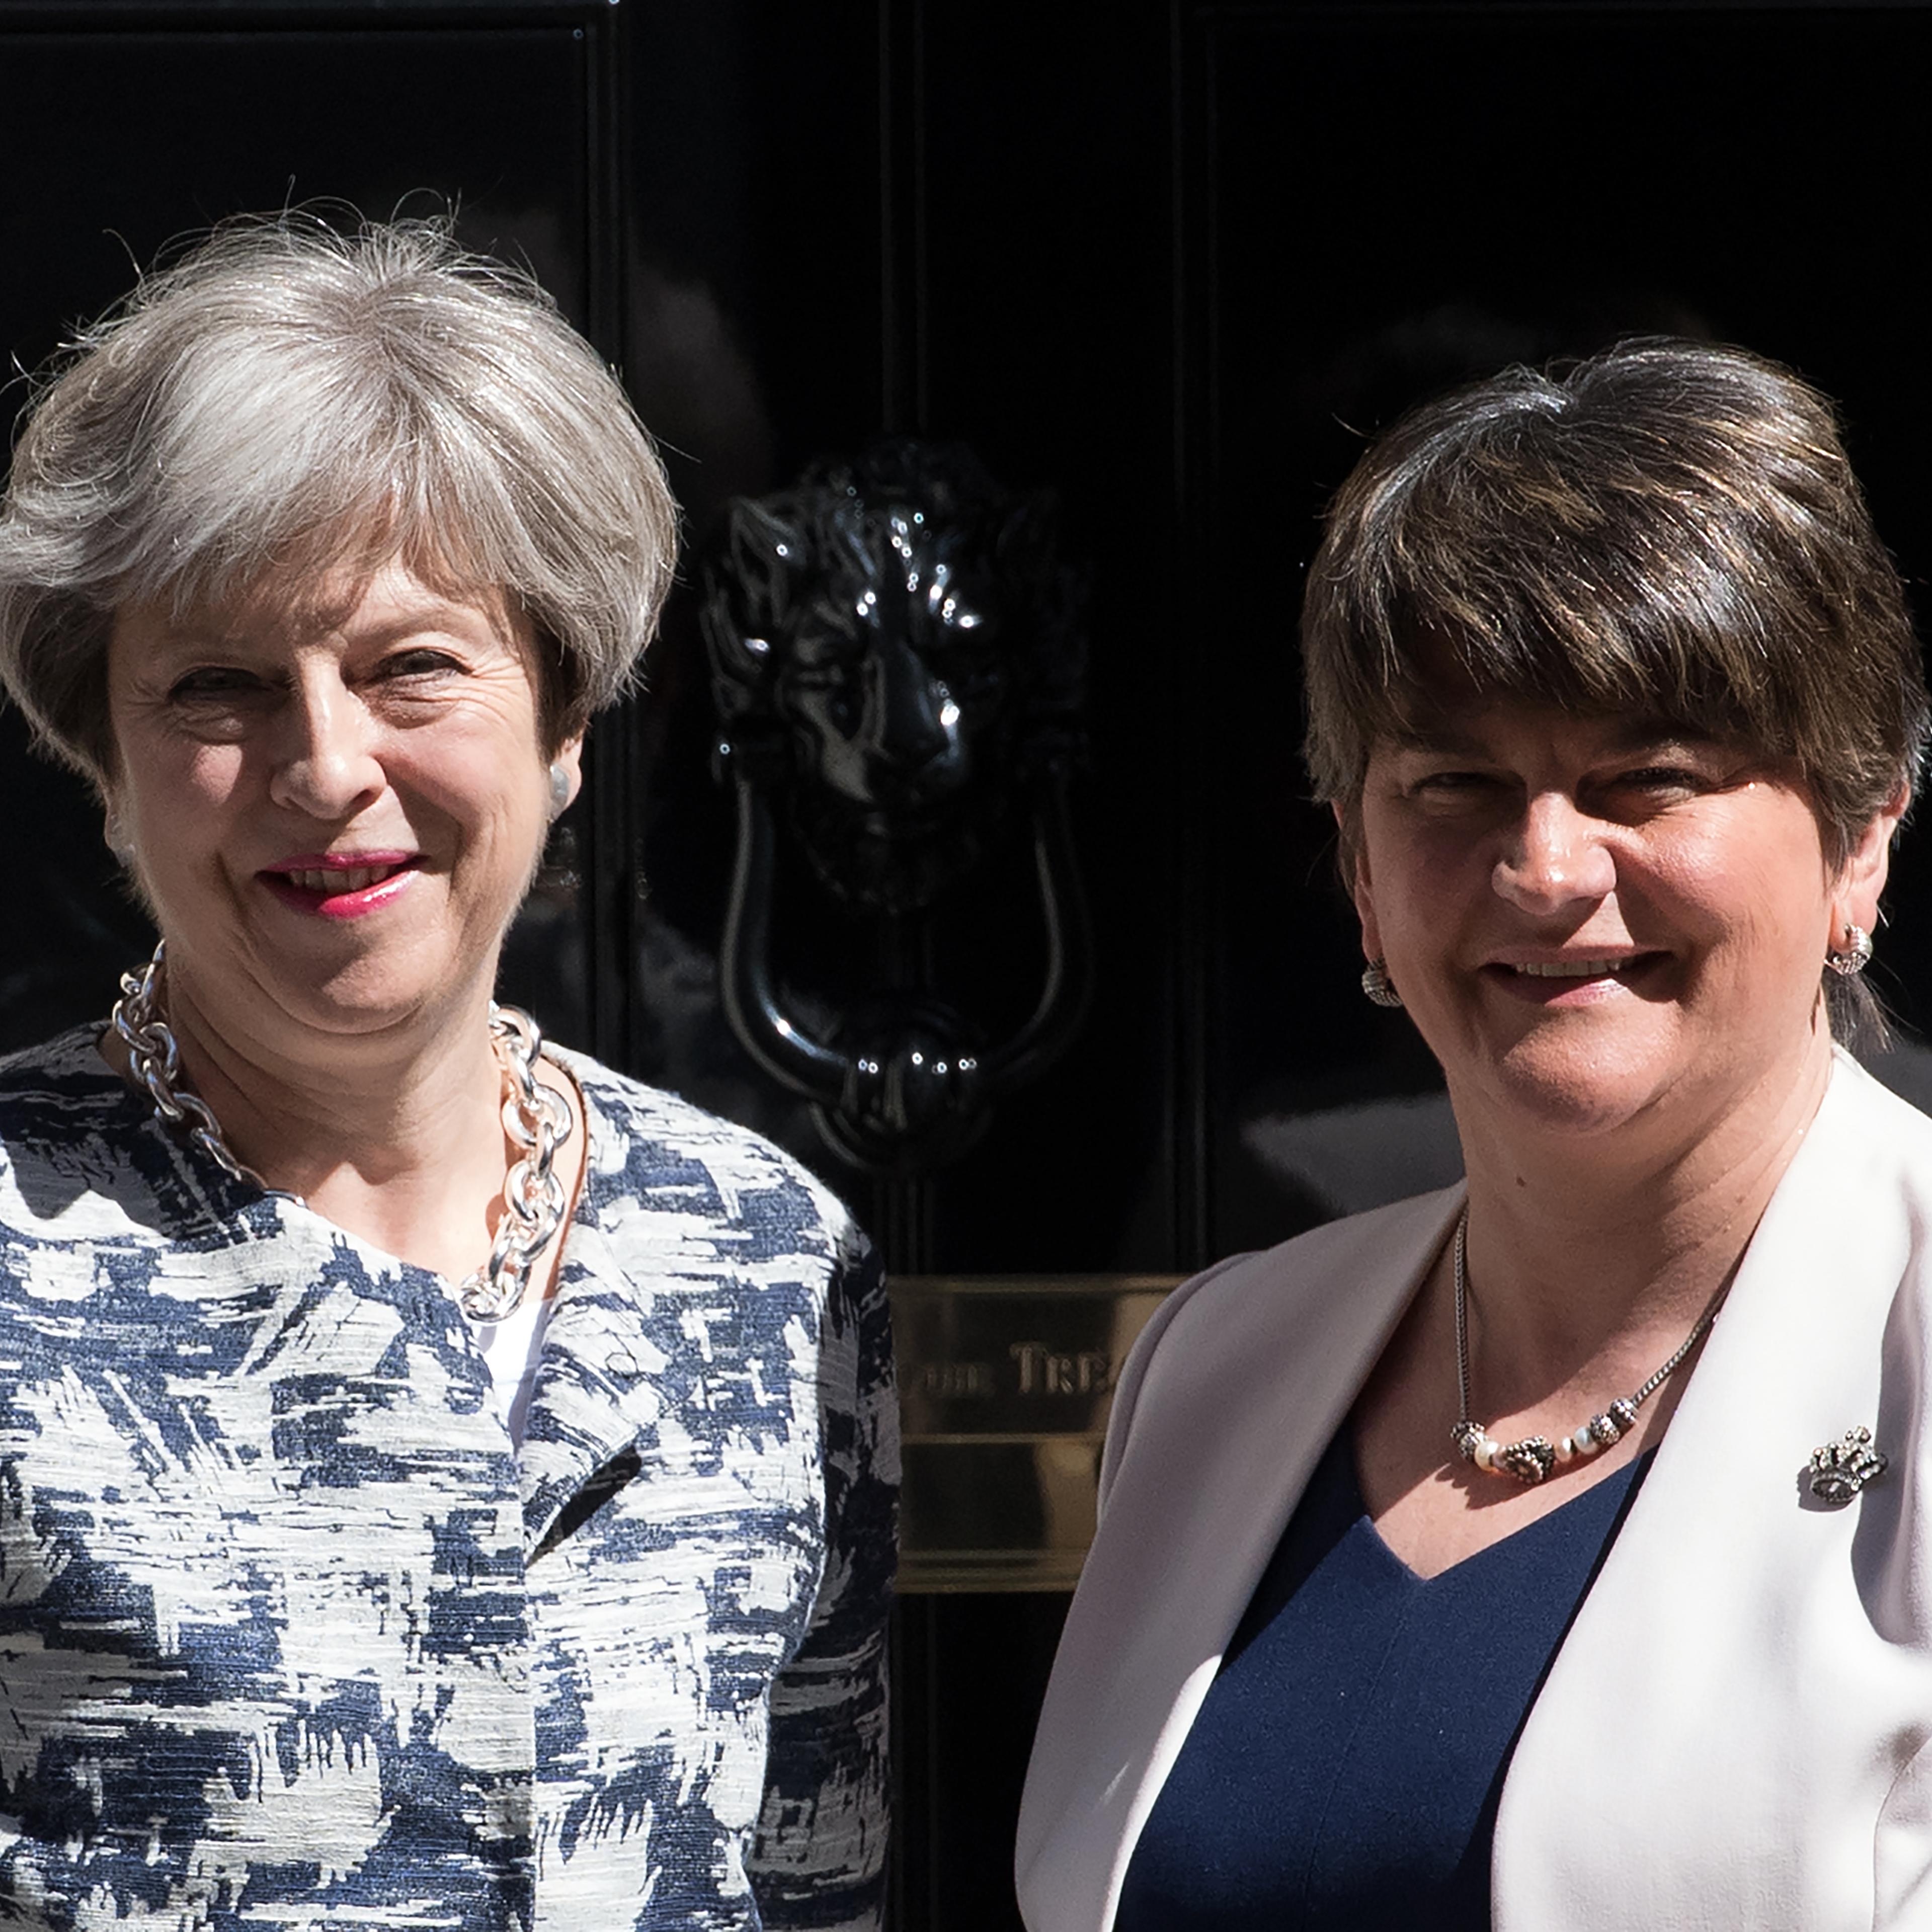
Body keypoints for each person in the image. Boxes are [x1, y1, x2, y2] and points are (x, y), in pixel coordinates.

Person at [0, 216, 895, 1930]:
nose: (329, 765)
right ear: (103, 758)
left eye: (413, 664)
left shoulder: (772, 1263)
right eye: (220, 687)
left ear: (563, 723)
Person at [1016, 339, 1932, 1929]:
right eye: (1454, 785)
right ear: (1362, 876)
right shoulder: (1216, 1367)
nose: (1546, 868)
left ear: (1859, 842)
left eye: (1649, 777)